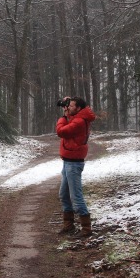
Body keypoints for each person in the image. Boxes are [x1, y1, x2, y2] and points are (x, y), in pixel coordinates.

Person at [56, 96, 96, 238]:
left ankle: (86, 229)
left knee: (76, 196)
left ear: (78, 108)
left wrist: (62, 116)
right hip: (68, 161)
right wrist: (67, 108)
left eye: (71, 105)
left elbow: (62, 131)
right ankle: (69, 225)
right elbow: (69, 121)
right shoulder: (77, 116)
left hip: (73, 163)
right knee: (64, 195)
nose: (69, 107)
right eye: (69, 105)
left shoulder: (79, 121)